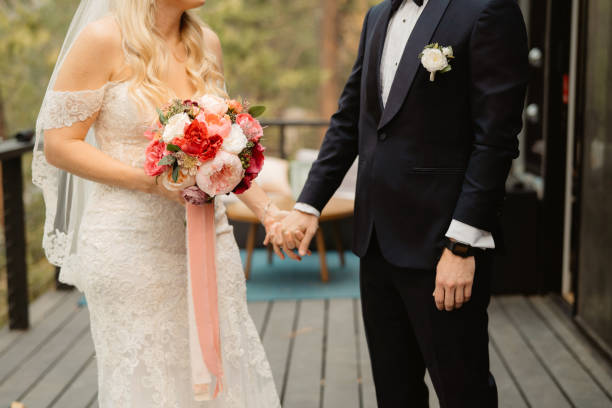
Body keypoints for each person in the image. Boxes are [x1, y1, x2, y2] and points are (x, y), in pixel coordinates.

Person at [269, 0, 529, 406]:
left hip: (442, 245)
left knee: (464, 392)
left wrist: (462, 243)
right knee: (395, 393)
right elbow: (351, 119)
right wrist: (308, 206)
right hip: (375, 244)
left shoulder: (487, 10)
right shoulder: (377, 16)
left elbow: (495, 140)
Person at [33, 0, 281, 406]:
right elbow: (59, 146)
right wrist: (148, 184)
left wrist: (268, 211)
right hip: (129, 243)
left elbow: (222, 156)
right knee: (152, 381)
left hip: (210, 237)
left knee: (225, 369)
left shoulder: (206, 44)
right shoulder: (102, 39)